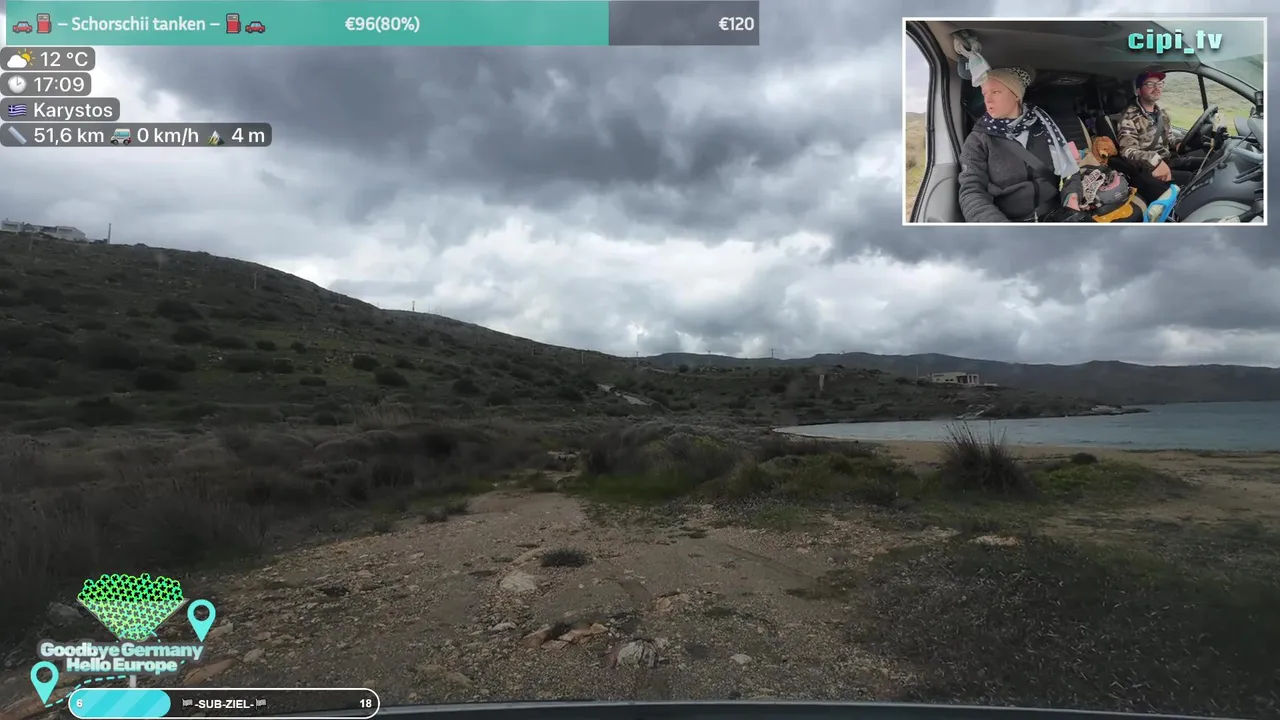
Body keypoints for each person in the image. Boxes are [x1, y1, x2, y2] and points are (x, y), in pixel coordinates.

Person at [958, 67, 1083, 223]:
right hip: (1009, 222)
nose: (988, 100)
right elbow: (971, 191)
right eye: (985, 93)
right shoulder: (978, 140)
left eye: (995, 92)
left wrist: (1071, 197)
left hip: (1055, 214)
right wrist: (998, 227)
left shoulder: (1047, 126)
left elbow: (1070, 169)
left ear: (1016, 95)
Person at [1111, 70, 1207, 204]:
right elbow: (1128, 151)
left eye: (1159, 84)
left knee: (1206, 164)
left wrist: (1180, 143)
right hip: (1149, 169)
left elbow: (1170, 139)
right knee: (1194, 180)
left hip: (1168, 159)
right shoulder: (1129, 118)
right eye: (1150, 84)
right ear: (1138, 91)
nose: (1156, 88)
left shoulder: (1162, 114)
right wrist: (1154, 160)